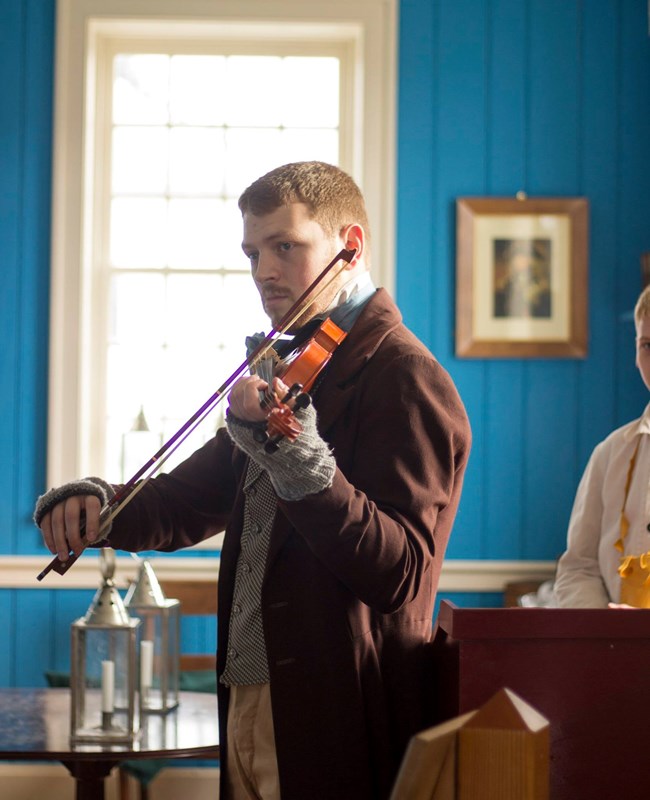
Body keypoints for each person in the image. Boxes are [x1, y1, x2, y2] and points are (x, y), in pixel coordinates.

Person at [34, 161, 471, 799]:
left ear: (350, 247)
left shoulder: (404, 373)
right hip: (251, 691)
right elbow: (189, 500)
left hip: (336, 706)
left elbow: (401, 573)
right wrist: (100, 507)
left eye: (286, 246)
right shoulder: (290, 370)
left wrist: (296, 457)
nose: (263, 271)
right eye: (253, 252)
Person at [555, 285, 650, 608]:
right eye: (647, 345)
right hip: (616, 651)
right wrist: (607, 628)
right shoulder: (611, 452)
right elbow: (579, 566)